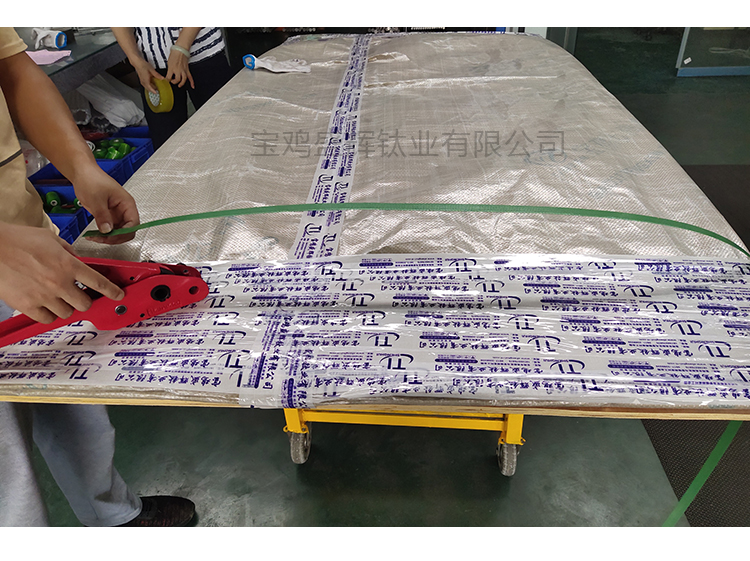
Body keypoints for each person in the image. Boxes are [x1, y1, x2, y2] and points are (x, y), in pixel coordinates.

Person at [0, 27, 195, 526]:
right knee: (8, 482)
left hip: (33, 242)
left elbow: (14, 71)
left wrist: (81, 167)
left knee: (77, 407)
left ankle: (114, 517)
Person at [111, 27, 236, 150]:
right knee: (166, 147)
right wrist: (136, 60)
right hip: (152, 66)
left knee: (226, 134)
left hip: (202, 53)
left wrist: (181, 48)